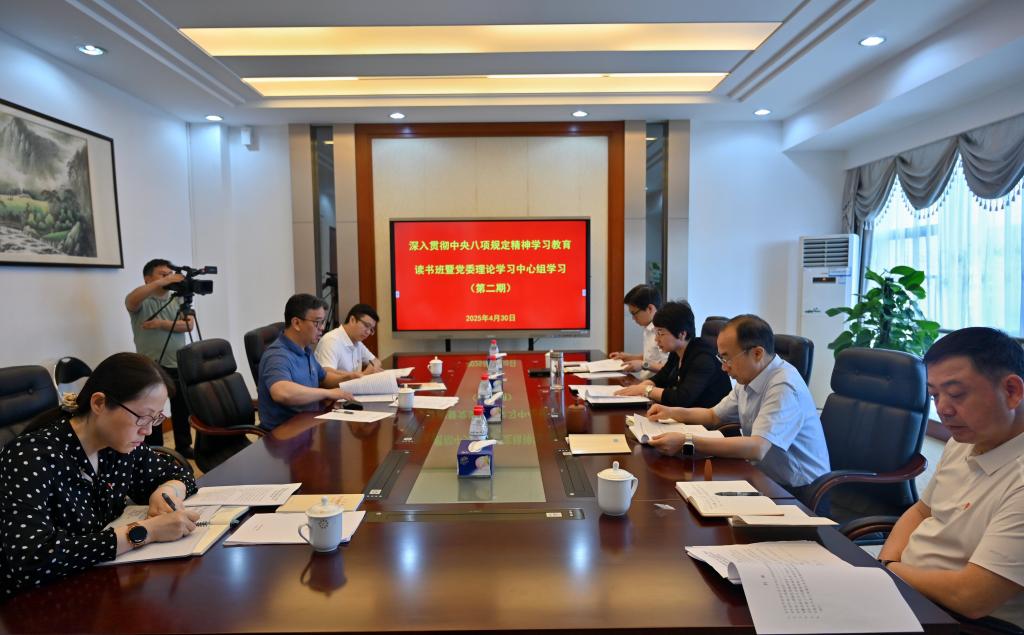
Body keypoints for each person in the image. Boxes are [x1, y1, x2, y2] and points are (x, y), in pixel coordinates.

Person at [0, 353, 200, 598]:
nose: (148, 431)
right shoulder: (31, 456)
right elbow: (33, 558)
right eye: (142, 417)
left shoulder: (118, 444)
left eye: (156, 418)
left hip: (98, 583)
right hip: (35, 599)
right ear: (99, 404)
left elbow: (178, 471)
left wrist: (166, 490)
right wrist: (144, 532)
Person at [876, 327, 1023, 628]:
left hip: (961, 621)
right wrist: (885, 564)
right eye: (934, 395)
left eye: (957, 394)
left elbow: (972, 597)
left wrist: (890, 571)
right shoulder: (964, 440)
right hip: (907, 591)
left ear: (1012, 391)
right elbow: (921, 511)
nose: (943, 409)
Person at [646, 314, 829, 495]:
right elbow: (713, 416)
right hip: (763, 477)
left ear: (757, 354)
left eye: (727, 359)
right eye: (721, 359)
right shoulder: (749, 378)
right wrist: (671, 412)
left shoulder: (784, 386)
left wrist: (688, 441)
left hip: (802, 492)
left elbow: (757, 448)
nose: (724, 367)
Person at [124, 258, 194, 459]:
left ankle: (183, 446)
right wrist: (164, 281)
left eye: (170, 274)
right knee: (152, 410)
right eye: (163, 274)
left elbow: (189, 325)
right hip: (151, 366)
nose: (169, 278)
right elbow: (131, 300)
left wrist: (160, 323)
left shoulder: (177, 299)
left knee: (181, 408)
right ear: (148, 279)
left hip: (178, 362)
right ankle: (155, 451)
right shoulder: (140, 302)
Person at [257, 293, 355, 431]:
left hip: (308, 425)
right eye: (317, 322)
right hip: (284, 435)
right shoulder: (277, 355)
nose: (322, 328)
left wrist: (351, 378)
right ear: (296, 323)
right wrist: (327, 393)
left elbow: (324, 378)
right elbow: (282, 392)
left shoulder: (305, 349)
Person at [615, 301, 731, 408]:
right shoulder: (676, 352)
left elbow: (681, 399)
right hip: (685, 416)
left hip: (710, 422)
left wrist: (645, 390)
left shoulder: (703, 359)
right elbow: (661, 378)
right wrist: (642, 386)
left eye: (661, 333)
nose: (656, 339)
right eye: (656, 333)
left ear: (682, 334)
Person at [609, 284, 668, 375]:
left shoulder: (663, 332)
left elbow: (669, 368)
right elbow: (652, 357)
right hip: (645, 381)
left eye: (634, 313)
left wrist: (643, 365)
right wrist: (628, 357)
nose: (633, 318)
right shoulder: (648, 328)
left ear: (650, 308)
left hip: (656, 383)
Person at [315, 303, 383, 381]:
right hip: (333, 388)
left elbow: (376, 361)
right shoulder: (331, 340)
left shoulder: (357, 342)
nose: (368, 332)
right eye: (366, 326)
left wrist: (372, 367)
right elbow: (326, 372)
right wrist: (363, 374)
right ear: (352, 320)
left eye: (371, 329)